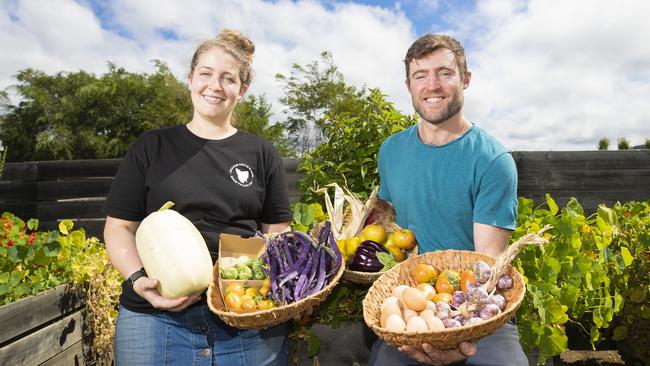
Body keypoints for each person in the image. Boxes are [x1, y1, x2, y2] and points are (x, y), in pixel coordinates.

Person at [103, 29, 292, 365]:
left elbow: (277, 232)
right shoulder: (151, 146)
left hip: (242, 307)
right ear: (190, 79)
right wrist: (138, 279)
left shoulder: (261, 153)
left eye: (228, 78)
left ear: (242, 90)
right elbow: (119, 227)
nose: (215, 85)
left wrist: (261, 285)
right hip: (155, 311)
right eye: (205, 74)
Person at [367, 33, 527, 365]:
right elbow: (389, 222)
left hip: (478, 306)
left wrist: (455, 338)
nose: (432, 85)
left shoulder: (492, 160)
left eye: (444, 73)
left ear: (465, 80)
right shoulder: (392, 151)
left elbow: (487, 268)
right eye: (420, 75)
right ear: (409, 85)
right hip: (413, 301)